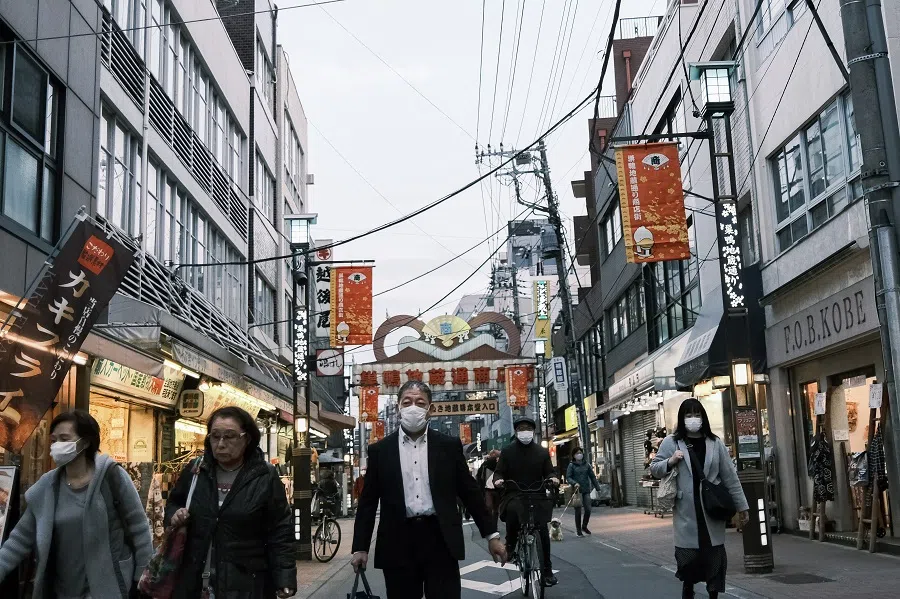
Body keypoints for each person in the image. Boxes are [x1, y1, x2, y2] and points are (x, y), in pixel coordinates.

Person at [351, 381, 506, 598]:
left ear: (430, 409)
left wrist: (492, 536)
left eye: (420, 402)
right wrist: (360, 548)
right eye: (407, 402)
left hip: (441, 539)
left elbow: (469, 492)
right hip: (397, 543)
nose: (413, 407)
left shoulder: (449, 446)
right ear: (398, 408)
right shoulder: (380, 451)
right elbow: (367, 503)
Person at [0, 409, 153, 599]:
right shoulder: (47, 488)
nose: (57, 446)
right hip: (61, 591)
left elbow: (139, 528)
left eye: (64, 439)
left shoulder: (111, 477)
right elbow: (19, 540)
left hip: (108, 589)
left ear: (86, 442)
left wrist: (143, 579)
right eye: (54, 440)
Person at [166, 406, 295, 599]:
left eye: (230, 436)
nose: (221, 443)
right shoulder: (196, 470)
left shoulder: (264, 475)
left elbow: (280, 529)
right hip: (195, 582)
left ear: (247, 438)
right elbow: (173, 503)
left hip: (247, 584)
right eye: (215, 436)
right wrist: (174, 515)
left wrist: (284, 578)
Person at [650, 398, 750, 599]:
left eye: (697, 415)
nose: (693, 419)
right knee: (689, 563)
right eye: (688, 415)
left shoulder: (715, 443)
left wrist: (742, 506)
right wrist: (670, 461)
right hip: (686, 511)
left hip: (711, 510)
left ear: (703, 417)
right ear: (682, 418)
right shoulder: (672, 442)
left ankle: (713, 594)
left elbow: (730, 477)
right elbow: (655, 469)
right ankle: (688, 591)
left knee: (714, 558)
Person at [493, 415, 559, 587]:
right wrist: (498, 480)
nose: (525, 432)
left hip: (536, 494)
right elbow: (499, 472)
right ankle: (511, 546)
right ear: (516, 432)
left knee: (542, 530)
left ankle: (547, 571)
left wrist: (553, 478)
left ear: (533, 431)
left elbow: (549, 471)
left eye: (528, 429)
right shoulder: (507, 451)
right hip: (514, 493)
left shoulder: (541, 452)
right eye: (521, 429)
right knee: (514, 511)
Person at [566, 446, 601, 536]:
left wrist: (597, 488)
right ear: (573, 455)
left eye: (580, 453)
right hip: (577, 491)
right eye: (577, 453)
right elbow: (568, 477)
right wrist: (574, 483)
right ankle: (579, 530)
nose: (579, 455)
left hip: (586, 490)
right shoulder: (571, 465)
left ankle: (584, 526)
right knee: (578, 510)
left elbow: (592, 476)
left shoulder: (586, 464)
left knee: (588, 509)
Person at [476, 449, 502, 531]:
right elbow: (479, 476)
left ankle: (493, 526)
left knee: (493, 508)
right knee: (491, 507)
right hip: (489, 489)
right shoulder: (486, 465)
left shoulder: (496, 464)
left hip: (495, 489)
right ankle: (492, 526)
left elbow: (479, 477)